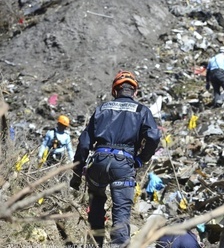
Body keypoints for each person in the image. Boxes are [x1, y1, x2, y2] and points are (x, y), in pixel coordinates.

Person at [69, 70, 161, 247]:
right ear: (134, 92)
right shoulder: (142, 110)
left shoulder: (101, 109)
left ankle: (94, 245)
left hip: (98, 163)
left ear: (114, 91)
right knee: (121, 213)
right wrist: (141, 159)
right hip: (123, 165)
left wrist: (76, 175)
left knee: (95, 209)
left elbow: (83, 144)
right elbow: (154, 137)